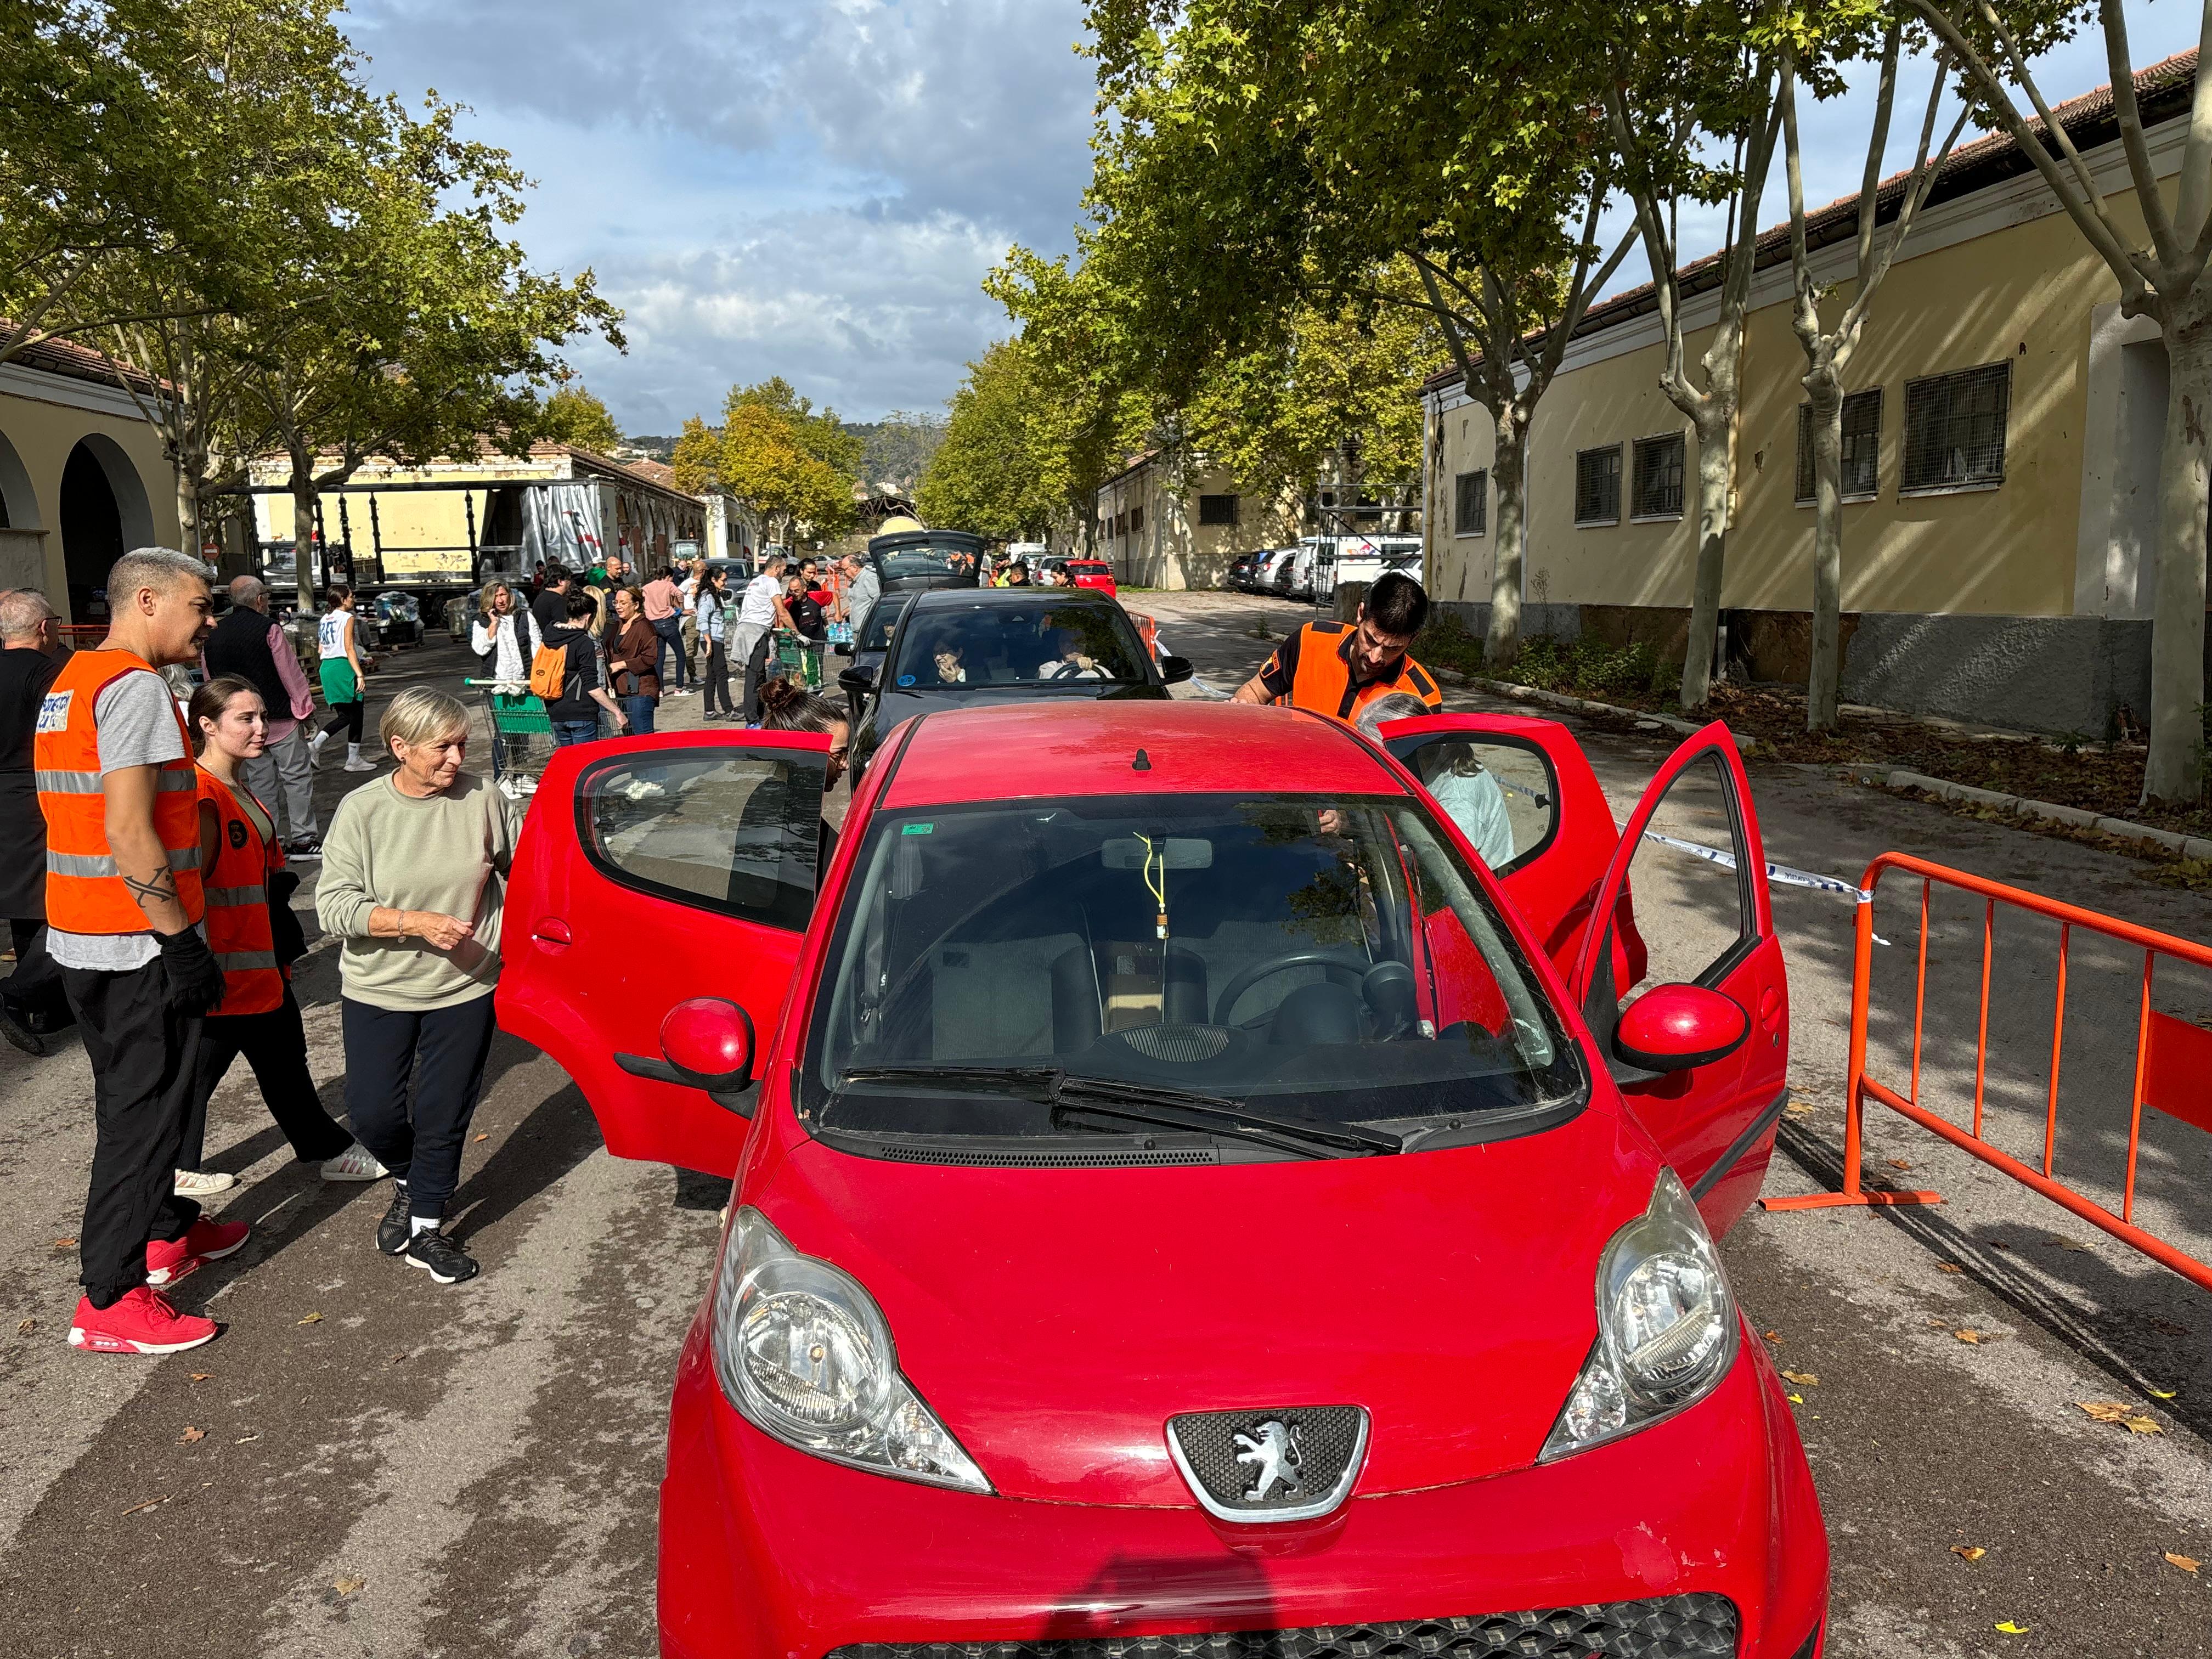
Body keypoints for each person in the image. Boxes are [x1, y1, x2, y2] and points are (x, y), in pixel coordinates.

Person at [40, 549, 245, 1356]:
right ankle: (110, 1297)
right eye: (199, 608)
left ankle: (165, 1233)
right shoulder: (135, 689)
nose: (207, 625)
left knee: (144, 1101)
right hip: (136, 945)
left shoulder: (71, 682)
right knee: (142, 1117)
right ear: (149, 601)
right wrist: (180, 941)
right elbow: (128, 829)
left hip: (83, 934)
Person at [317, 686, 523, 1286]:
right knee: (373, 1112)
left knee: (443, 1112)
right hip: (378, 987)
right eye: (444, 747)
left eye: (463, 744)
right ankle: (411, 1182)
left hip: (466, 985)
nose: (459, 758)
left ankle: (426, 1227)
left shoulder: (483, 797)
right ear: (400, 748)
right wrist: (413, 923)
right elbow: (333, 905)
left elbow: (529, 865)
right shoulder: (362, 810)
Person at [176, 677, 386, 1195]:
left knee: (275, 1060)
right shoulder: (204, 794)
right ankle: (170, 1171)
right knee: (231, 1067)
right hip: (229, 969)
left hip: (255, 962)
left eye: (261, 716)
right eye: (244, 719)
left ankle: (175, 1165)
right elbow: (192, 889)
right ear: (207, 726)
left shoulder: (234, 785)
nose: (261, 728)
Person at [202, 575, 320, 856]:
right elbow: (290, 673)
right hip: (279, 718)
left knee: (259, 784)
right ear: (259, 600)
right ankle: (304, 838)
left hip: (236, 723)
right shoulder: (270, 629)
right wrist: (305, 710)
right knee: (296, 778)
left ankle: (270, 841)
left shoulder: (213, 634)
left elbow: (209, 680)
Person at [1231, 569, 1443, 721]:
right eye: (1370, 639)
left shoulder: (1422, 697)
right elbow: (1255, 691)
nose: (1375, 657)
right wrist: (1242, 709)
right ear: (1360, 614)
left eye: (1392, 649)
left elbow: (1414, 771)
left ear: (1413, 640)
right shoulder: (1311, 640)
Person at [0, 588, 69, 1053]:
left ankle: (39, 1009)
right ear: (45, 628)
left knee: (28, 906)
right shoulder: (48, 673)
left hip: (4, 798)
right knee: (58, 903)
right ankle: (22, 995)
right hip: (36, 797)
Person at [755, 678, 850, 876]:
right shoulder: (792, 821)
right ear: (804, 753)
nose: (845, 765)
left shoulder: (774, 796)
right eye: (839, 754)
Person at [542, 589, 627, 746]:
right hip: (581, 712)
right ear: (589, 616)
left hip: (555, 711)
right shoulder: (583, 642)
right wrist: (617, 712)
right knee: (587, 763)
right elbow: (591, 686)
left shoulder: (549, 637)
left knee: (569, 765)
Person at [311, 586, 377, 772]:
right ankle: (353, 759)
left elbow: (320, 649)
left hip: (327, 668)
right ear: (343, 599)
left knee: (345, 715)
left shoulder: (325, 619)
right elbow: (349, 648)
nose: (353, 599)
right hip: (342, 667)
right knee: (357, 713)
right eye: (351, 596)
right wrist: (360, 674)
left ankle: (317, 744)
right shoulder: (348, 618)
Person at [733, 552, 791, 724]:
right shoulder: (771, 581)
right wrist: (796, 632)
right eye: (784, 570)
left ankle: (758, 714)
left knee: (759, 676)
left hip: (749, 630)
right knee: (754, 677)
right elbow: (782, 611)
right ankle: (752, 719)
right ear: (776, 568)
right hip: (755, 632)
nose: (784, 574)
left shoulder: (756, 581)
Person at [604, 585, 662, 736]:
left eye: (624, 603)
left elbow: (651, 658)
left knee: (642, 737)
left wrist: (622, 665)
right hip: (621, 688)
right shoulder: (618, 625)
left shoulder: (645, 626)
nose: (618, 607)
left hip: (640, 689)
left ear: (636, 605)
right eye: (616, 603)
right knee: (628, 737)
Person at [695, 567, 736, 722]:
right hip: (712, 641)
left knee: (712, 675)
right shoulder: (708, 598)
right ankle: (728, 710)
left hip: (715, 639)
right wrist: (709, 642)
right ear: (713, 580)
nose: (725, 583)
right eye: (723, 580)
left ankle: (710, 711)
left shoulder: (714, 595)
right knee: (722, 673)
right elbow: (703, 620)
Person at [641, 565, 690, 692]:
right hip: (668, 623)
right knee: (680, 655)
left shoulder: (646, 587)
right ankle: (679, 687)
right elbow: (680, 594)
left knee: (659, 658)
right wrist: (680, 608)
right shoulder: (668, 585)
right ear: (668, 577)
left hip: (653, 625)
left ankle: (660, 689)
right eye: (671, 578)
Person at [838, 550, 880, 649]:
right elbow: (860, 602)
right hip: (857, 631)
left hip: (869, 632)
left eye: (845, 570)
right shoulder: (855, 581)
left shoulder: (869, 577)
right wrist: (847, 611)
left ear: (855, 568)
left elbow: (878, 602)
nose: (843, 574)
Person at [529, 566, 572, 637]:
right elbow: (562, 629)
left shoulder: (540, 597)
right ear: (560, 581)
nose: (570, 583)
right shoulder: (558, 601)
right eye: (569, 580)